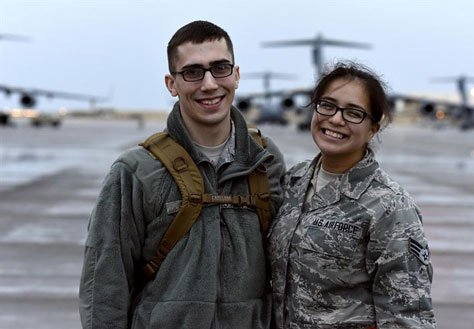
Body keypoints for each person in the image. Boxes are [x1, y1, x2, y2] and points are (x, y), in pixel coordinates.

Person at [79, 21, 285, 329]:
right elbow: (104, 284)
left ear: (237, 75)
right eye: (192, 72)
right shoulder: (137, 171)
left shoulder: (266, 163)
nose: (209, 84)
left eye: (220, 68)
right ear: (171, 84)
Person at [268, 62, 436, 328]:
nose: (336, 119)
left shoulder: (389, 206)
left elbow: (407, 316)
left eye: (354, 113)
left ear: (373, 128)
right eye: (328, 105)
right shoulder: (292, 183)